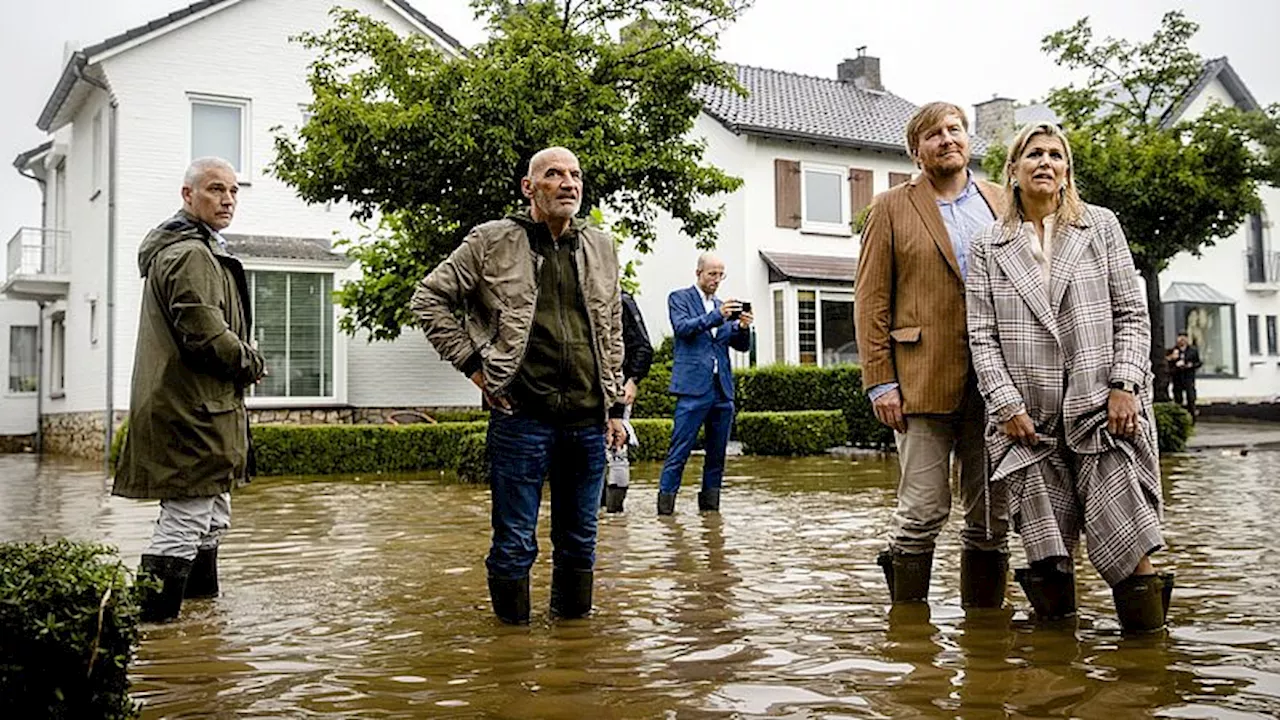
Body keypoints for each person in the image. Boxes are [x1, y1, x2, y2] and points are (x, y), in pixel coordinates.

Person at [966, 122, 1173, 634]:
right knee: (1046, 550)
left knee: (1129, 536)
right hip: (1027, 422)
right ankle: (1055, 671)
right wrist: (1006, 406)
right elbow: (981, 335)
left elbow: (1132, 313)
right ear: (1013, 170)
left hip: (1103, 410)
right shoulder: (988, 245)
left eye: (1055, 155)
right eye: (1033, 154)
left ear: (1066, 171)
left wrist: (1125, 385)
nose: (1045, 163)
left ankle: (1147, 662)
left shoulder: (1100, 227)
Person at [411, 146, 627, 625]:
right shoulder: (491, 241)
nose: (569, 183)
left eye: (575, 175)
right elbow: (429, 299)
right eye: (554, 174)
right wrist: (472, 364)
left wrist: (615, 409)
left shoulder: (602, 246)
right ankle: (511, 652)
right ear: (529, 188)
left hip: (588, 421)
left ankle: (571, 658)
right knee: (513, 542)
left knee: (580, 541)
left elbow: (610, 329)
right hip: (520, 416)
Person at [853, 102, 1009, 607]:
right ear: (916, 151)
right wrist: (880, 381)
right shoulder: (890, 207)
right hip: (919, 380)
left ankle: (986, 639)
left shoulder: (1003, 202)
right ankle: (908, 632)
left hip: (997, 384)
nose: (947, 139)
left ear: (968, 139)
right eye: (934, 134)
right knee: (922, 509)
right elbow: (870, 300)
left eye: (955, 130)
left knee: (990, 516)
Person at [113, 157, 266, 623]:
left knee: (210, 518)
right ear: (188, 195)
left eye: (234, 191)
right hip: (191, 412)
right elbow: (205, 334)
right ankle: (155, 634)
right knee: (186, 521)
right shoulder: (189, 254)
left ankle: (198, 633)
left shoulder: (199, 249)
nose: (227, 199)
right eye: (216, 189)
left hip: (206, 408)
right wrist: (252, 360)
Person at [656, 254, 751, 515]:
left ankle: (710, 512)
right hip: (692, 389)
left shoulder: (724, 306)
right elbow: (683, 328)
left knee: (717, 454)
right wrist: (717, 316)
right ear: (698, 272)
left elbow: (740, 346)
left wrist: (743, 327)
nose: (716, 280)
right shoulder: (679, 298)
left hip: (722, 390)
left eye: (721, 275)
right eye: (712, 274)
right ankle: (665, 510)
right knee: (680, 449)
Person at [601, 290, 654, 513]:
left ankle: (615, 513)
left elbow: (644, 347)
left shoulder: (623, 301)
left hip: (617, 385)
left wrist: (632, 380)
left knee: (616, 448)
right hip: (584, 387)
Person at [1167, 333, 1201, 421]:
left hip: (1188, 378)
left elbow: (1198, 363)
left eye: (1184, 338)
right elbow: (1166, 363)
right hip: (1177, 378)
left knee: (1190, 399)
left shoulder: (1192, 350)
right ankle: (1179, 420)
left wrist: (1190, 365)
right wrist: (1172, 359)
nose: (1181, 340)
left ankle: (1192, 419)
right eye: (1179, 337)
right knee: (1178, 399)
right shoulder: (1173, 350)